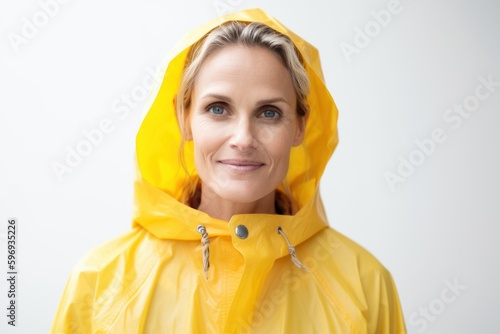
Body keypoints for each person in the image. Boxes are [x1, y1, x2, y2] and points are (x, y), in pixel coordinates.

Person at [51, 8, 406, 333]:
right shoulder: (100, 282)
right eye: (218, 108)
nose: (243, 138)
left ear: (300, 125)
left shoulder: (364, 284)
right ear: (184, 117)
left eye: (269, 112)